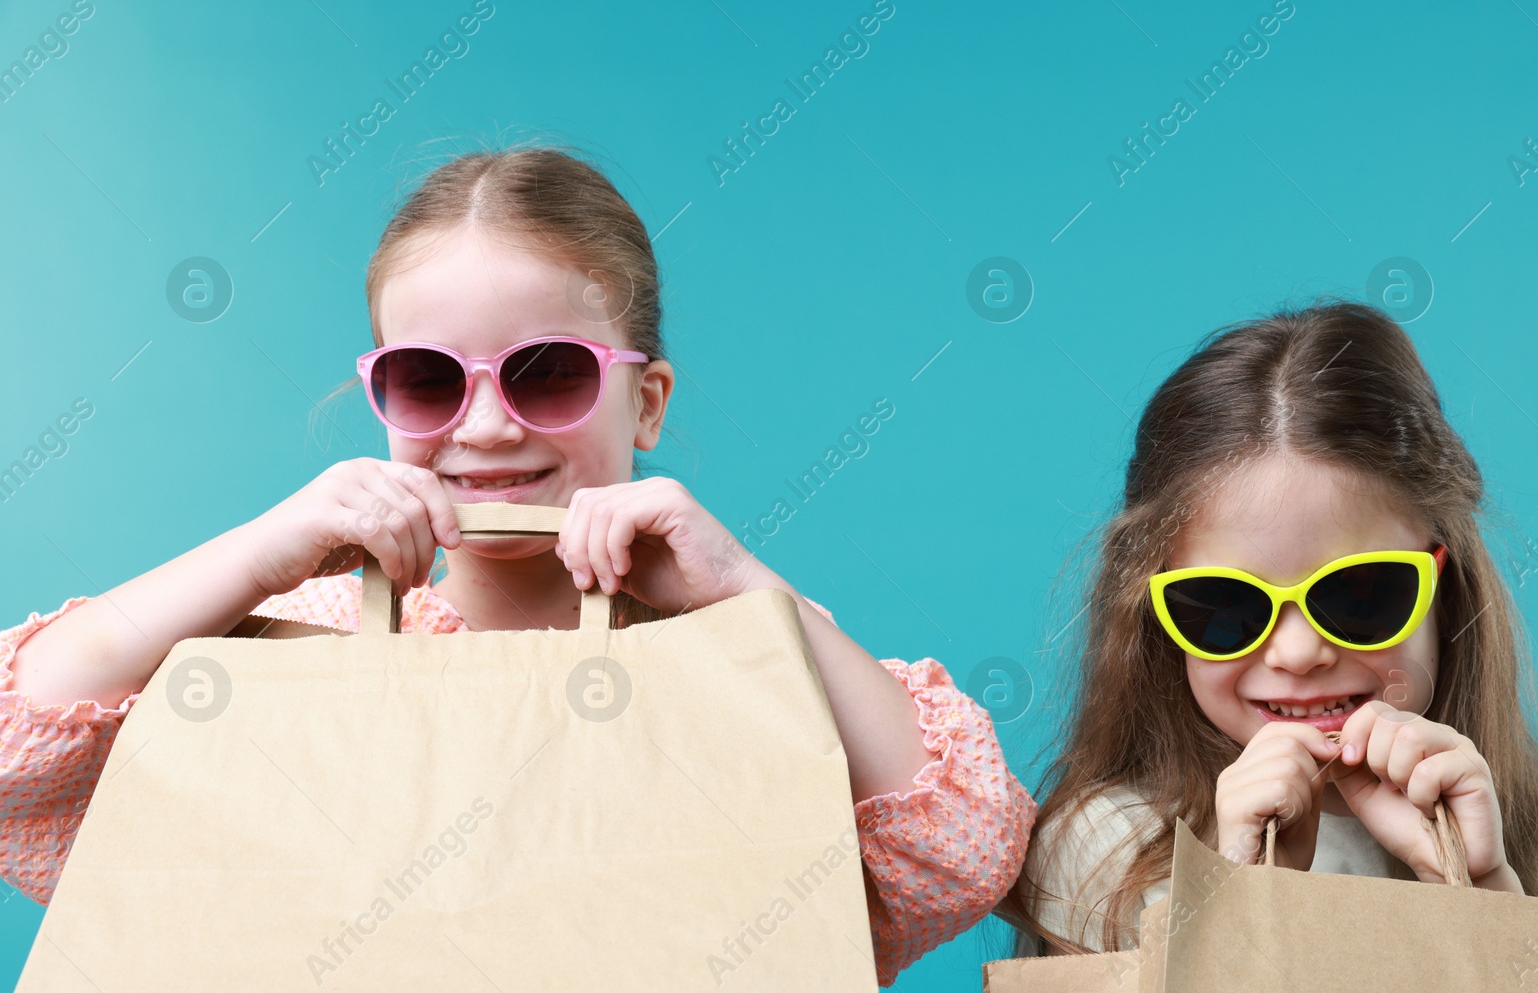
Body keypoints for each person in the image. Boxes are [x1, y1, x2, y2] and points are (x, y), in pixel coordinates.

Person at [0, 144, 1036, 986]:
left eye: (549, 376)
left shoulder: (739, 658)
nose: (487, 428)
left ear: (649, 401)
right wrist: (258, 556)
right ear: (381, 400)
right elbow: (14, 762)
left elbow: (966, 848)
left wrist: (745, 595)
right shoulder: (297, 645)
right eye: (427, 381)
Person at [1003, 300, 1538, 954]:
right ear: (1151, 613)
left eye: (1359, 593)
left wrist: (1487, 896)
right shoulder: (1104, 857)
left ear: (1444, 586)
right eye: (1225, 604)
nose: (1298, 652)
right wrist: (1238, 904)